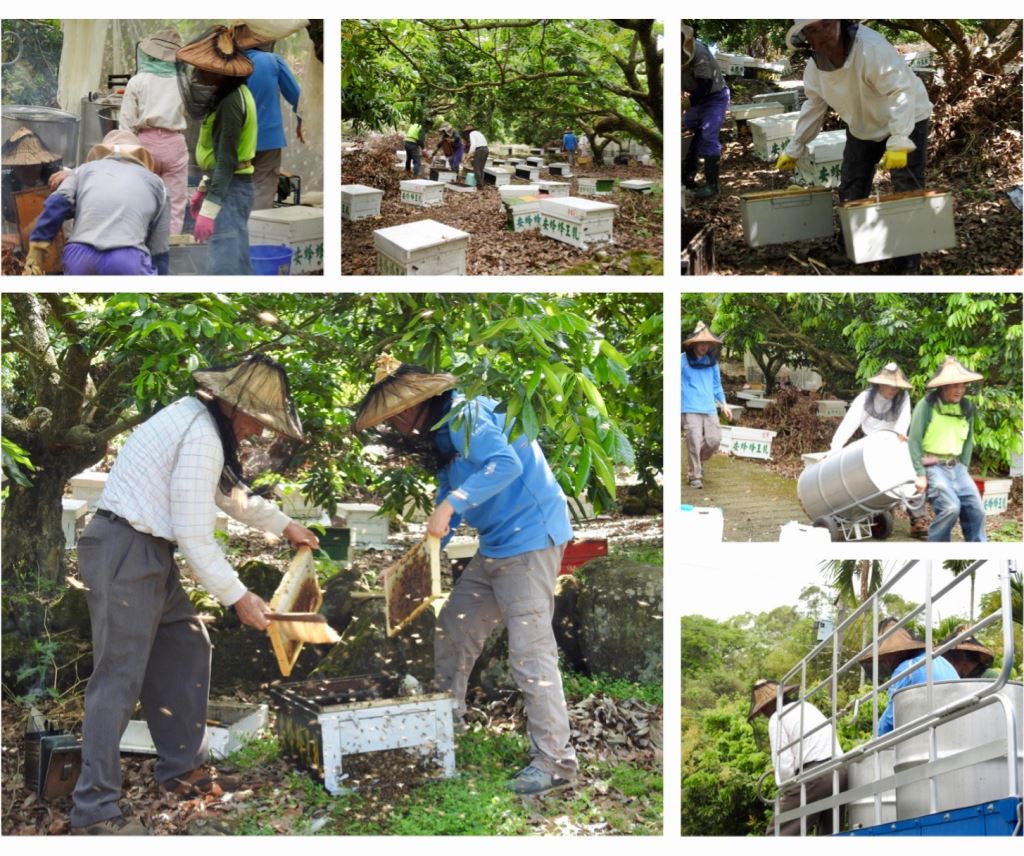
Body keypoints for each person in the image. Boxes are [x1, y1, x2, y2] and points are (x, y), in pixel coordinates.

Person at [69, 355, 320, 834]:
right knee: (118, 679)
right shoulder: (203, 434)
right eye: (257, 421)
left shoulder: (199, 420)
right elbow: (194, 533)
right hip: (127, 549)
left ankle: (183, 771)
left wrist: (286, 525)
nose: (258, 434)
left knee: (187, 645)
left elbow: (230, 496)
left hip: (146, 552)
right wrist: (239, 596)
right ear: (232, 405)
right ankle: (94, 809)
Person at [352, 354, 578, 796]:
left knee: (530, 655)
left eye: (393, 415)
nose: (393, 425)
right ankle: (444, 727)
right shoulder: (440, 436)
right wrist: (422, 552)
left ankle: (555, 763)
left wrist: (452, 503)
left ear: (411, 405)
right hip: (495, 544)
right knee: (454, 630)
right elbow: (448, 496)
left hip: (530, 539)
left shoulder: (466, 414)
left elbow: (505, 464)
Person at [776, 20, 933, 273]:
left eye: (826, 25)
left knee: (906, 186)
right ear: (806, 38)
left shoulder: (871, 49)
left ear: (840, 22)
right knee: (851, 184)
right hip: (862, 125)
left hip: (907, 116)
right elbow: (814, 106)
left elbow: (900, 91)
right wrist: (795, 147)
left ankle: (908, 261)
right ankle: (853, 249)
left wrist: (899, 138)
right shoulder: (814, 70)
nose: (823, 35)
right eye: (813, 30)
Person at [23, 130, 169, 276]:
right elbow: (159, 249)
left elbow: (57, 204)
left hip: (79, 257)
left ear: (102, 153)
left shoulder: (82, 171)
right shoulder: (158, 184)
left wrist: (37, 249)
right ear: (139, 156)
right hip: (127, 260)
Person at [176, 26, 257, 274]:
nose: (198, 74)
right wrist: (203, 188)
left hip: (232, 190)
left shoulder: (232, 102)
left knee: (223, 266)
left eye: (204, 68)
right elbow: (218, 155)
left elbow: (226, 161)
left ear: (221, 72)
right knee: (239, 262)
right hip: (231, 187)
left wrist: (210, 210)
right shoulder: (231, 95)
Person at [829, 362, 928, 538]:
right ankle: (876, 511)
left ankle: (917, 520)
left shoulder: (903, 398)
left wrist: (899, 436)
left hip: (893, 441)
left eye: (896, 386)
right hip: (869, 445)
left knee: (912, 470)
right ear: (880, 383)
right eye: (889, 385)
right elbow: (849, 424)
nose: (892, 390)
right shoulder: (865, 398)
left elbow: (903, 422)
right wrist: (835, 449)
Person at [748, 679, 846, 836]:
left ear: (768, 705)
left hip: (815, 776)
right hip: (841, 771)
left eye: (763, 710)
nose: (764, 714)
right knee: (830, 834)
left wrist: (786, 788)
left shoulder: (777, 717)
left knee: (778, 833)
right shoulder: (807, 707)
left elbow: (784, 766)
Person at [907, 356, 986, 542]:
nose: (960, 390)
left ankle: (978, 551)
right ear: (944, 387)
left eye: (962, 385)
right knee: (950, 508)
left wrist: (964, 468)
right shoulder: (926, 405)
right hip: (932, 463)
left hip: (957, 466)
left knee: (977, 510)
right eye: (955, 386)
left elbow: (968, 441)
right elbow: (914, 441)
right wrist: (920, 474)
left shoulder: (967, 407)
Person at [118, 27, 189, 234]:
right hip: (174, 144)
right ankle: (169, 252)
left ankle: (139, 248)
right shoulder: (184, 81)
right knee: (174, 204)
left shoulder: (137, 81)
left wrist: (125, 157)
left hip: (143, 145)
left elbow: (126, 124)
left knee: (140, 200)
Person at [862, 617, 958, 736]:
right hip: (953, 728)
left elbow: (891, 717)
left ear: (899, 651)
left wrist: (873, 741)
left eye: (888, 654)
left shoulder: (906, 668)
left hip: (929, 734)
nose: (886, 660)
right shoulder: (941, 660)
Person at [244, 40, 303, 211]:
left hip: (234, 139)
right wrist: (300, 121)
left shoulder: (226, 62)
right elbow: (297, 96)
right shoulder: (271, 60)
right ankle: (259, 234)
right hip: (268, 138)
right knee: (263, 187)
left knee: (235, 188)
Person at [681, 322, 731, 489]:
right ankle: (694, 475)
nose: (704, 346)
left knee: (714, 440)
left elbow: (717, 385)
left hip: (709, 407)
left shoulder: (712, 363)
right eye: (701, 342)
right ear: (694, 343)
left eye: (707, 343)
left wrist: (724, 404)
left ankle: (698, 461)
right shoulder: (681, 361)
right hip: (689, 407)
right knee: (693, 440)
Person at [682, 24, 729, 199]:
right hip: (696, 98)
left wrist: (686, 103)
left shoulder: (699, 52)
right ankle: (688, 175)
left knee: (709, 134)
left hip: (714, 96)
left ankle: (712, 185)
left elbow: (705, 85)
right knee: (688, 128)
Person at [463, 124, 489, 190]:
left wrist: (469, 154)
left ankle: (479, 185)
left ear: (468, 131)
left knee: (476, 167)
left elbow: (473, 145)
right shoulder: (479, 133)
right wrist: (470, 156)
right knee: (481, 168)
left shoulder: (471, 134)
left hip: (480, 150)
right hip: (486, 149)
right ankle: (481, 183)